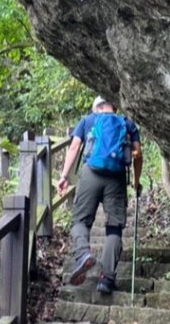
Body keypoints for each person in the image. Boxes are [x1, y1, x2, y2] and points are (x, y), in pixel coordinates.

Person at [56, 96, 142, 293]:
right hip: (117, 177)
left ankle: (83, 253)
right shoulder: (127, 124)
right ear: (114, 106)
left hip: (90, 174)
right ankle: (106, 278)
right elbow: (138, 155)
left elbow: (74, 148)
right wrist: (136, 182)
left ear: (98, 107)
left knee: (80, 221)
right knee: (114, 228)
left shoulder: (88, 120)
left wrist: (64, 176)